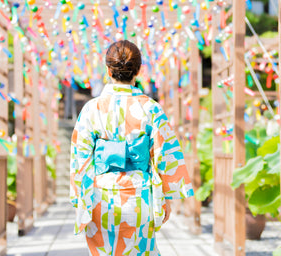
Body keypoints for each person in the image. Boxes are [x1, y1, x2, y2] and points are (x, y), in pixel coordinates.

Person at [70, 40, 194, 256]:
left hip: (101, 197)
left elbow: (80, 159)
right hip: (140, 195)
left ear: (108, 70)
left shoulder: (92, 109)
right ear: (138, 70)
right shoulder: (151, 108)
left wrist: (79, 199)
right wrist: (165, 198)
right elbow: (165, 154)